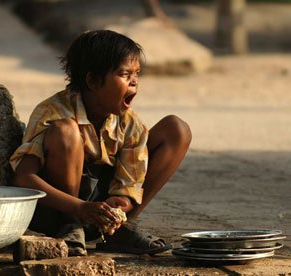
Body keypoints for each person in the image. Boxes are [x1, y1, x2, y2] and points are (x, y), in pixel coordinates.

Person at [10, 30, 191, 256]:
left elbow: (130, 180)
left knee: (177, 130)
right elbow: (23, 178)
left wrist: (122, 203)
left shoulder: (128, 122)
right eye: (125, 74)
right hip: (56, 210)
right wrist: (80, 209)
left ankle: (120, 229)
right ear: (93, 81)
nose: (134, 81)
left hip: (100, 213)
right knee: (66, 131)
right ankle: (71, 228)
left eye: (137, 74)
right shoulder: (52, 111)